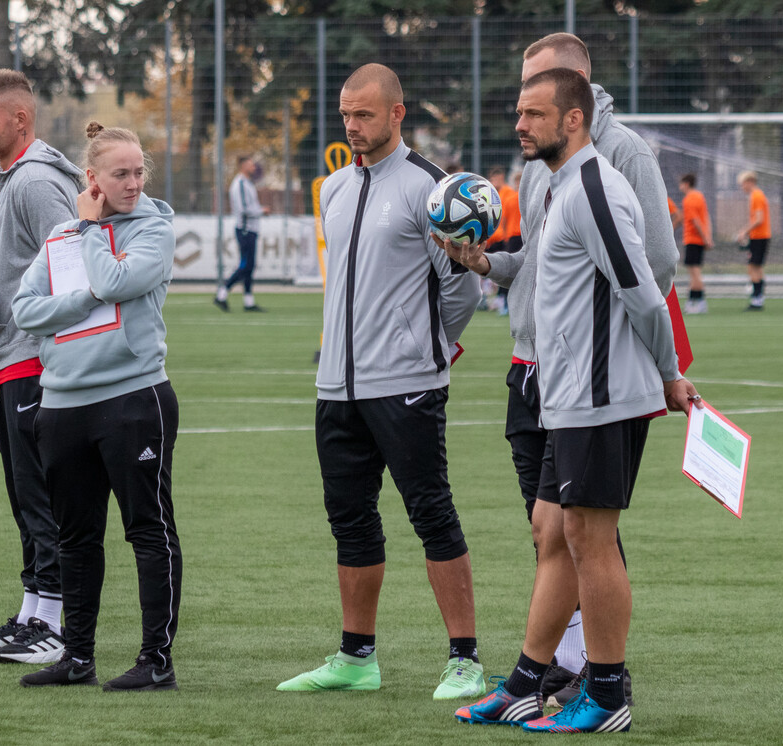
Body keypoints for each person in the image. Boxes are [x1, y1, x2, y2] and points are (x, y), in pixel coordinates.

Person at [443, 32, 679, 712]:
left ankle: (605, 694)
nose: (519, 124)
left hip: (600, 392)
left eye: (534, 112)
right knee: (554, 530)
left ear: (574, 114)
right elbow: (555, 272)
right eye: (518, 111)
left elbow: (644, 289)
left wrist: (665, 373)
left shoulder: (599, 181)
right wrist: (488, 264)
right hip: (563, 387)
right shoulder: (559, 180)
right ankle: (524, 684)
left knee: (589, 538)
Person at [276, 63, 483, 700]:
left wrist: (428, 348)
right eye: (345, 114)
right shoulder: (334, 187)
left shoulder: (432, 188)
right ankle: (356, 657)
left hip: (407, 383)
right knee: (351, 521)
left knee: (432, 513)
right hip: (336, 386)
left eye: (364, 114)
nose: (352, 126)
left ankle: (465, 660)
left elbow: (463, 286)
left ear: (396, 113)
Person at [12, 122, 182, 691]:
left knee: (148, 531)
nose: (133, 183)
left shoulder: (153, 230)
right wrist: (80, 287)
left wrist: (89, 232)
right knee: (75, 537)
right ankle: (76, 657)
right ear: (92, 178)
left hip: (133, 399)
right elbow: (24, 310)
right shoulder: (62, 234)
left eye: (139, 172)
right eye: (121, 174)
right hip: (61, 406)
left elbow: (113, 281)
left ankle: (156, 661)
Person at [0, 69, 80, 665]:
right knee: (22, 494)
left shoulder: (36, 183)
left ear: (20, 120)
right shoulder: (12, 179)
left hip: (36, 363)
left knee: (41, 495)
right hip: (8, 362)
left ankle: (55, 625)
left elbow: (71, 265)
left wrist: (47, 345)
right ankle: (33, 613)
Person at [214, 155, 269, 312]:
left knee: (250, 266)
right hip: (245, 229)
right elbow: (244, 209)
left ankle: (248, 301)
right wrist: (261, 211)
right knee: (245, 265)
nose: (253, 168)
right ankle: (222, 294)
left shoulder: (248, 184)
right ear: (243, 166)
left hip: (251, 229)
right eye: (251, 165)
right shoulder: (240, 185)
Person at [485, 166, 522, 315]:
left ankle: (503, 300)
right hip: (511, 237)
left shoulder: (509, 195)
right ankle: (502, 300)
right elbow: (504, 219)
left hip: (513, 237)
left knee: (512, 269)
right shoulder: (510, 197)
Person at [679, 174, 713, 314]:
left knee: (695, 273)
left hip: (693, 239)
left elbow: (695, 221)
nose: (680, 187)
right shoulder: (700, 196)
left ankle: (699, 302)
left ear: (686, 184)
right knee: (694, 273)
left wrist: (705, 238)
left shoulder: (689, 199)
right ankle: (693, 301)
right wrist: (708, 237)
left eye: (681, 184)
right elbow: (706, 218)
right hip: (698, 239)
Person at [736, 171, 771, 311]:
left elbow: (759, 219)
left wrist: (744, 231)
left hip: (760, 237)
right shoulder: (756, 195)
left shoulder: (756, 196)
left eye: (743, 184)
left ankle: (757, 299)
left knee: (753, 267)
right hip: (760, 236)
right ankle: (759, 297)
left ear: (750, 182)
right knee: (757, 267)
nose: (742, 187)